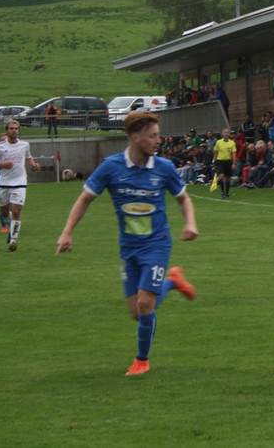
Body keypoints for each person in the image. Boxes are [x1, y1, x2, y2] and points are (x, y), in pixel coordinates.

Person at [55, 111, 199, 375]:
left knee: (146, 304)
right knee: (137, 312)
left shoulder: (164, 168)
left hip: (157, 244)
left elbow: (183, 198)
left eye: (158, 135)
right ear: (136, 137)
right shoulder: (112, 167)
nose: (159, 140)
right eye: (153, 136)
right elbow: (85, 199)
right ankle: (173, 281)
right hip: (128, 247)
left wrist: (190, 223)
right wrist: (67, 232)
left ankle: (141, 361)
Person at [0, 120, 41, 251]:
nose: (14, 130)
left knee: (16, 211)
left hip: (20, 182)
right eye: (11, 128)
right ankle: (11, 229)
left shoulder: (24, 145)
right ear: (7, 130)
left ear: (19, 130)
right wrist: (2, 165)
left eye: (16, 128)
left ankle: (13, 240)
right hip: (4, 183)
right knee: (4, 212)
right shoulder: (0, 147)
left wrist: (33, 164)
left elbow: (27, 157)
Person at [212, 127, 237, 199]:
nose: (226, 134)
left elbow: (233, 153)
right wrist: (214, 161)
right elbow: (216, 152)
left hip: (228, 161)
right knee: (221, 176)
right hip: (220, 161)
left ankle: (227, 193)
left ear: (229, 134)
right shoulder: (218, 142)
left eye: (227, 133)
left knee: (228, 178)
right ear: (223, 134)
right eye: (224, 132)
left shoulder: (232, 143)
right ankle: (222, 193)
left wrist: (233, 163)